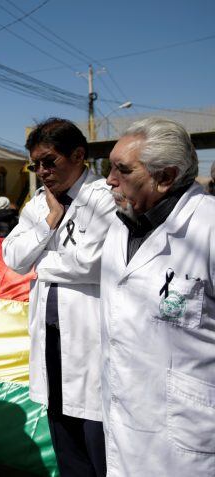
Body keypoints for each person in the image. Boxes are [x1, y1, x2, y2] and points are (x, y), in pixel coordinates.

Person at [99, 118, 215, 475]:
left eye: (122, 170)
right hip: (122, 426)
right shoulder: (121, 226)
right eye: (109, 167)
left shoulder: (208, 229)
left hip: (189, 442)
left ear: (165, 177)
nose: (109, 180)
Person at [2, 117, 115, 477]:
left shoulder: (103, 196)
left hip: (91, 335)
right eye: (35, 164)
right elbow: (15, 259)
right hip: (51, 336)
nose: (42, 171)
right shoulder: (40, 204)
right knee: (65, 440)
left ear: (78, 155)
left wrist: (41, 263)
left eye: (49, 161)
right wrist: (51, 219)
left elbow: (91, 264)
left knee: (98, 442)